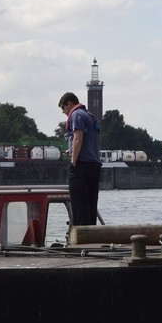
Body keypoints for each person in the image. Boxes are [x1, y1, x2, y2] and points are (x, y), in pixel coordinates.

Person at [59, 92, 102, 226]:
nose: (63, 112)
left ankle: (82, 235)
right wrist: (70, 150)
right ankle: (92, 233)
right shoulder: (89, 115)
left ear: (70, 104)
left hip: (81, 165)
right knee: (90, 201)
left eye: (63, 108)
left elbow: (78, 139)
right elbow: (89, 141)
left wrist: (73, 160)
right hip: (94, 164)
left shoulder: (76, 114)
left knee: (79, 202)